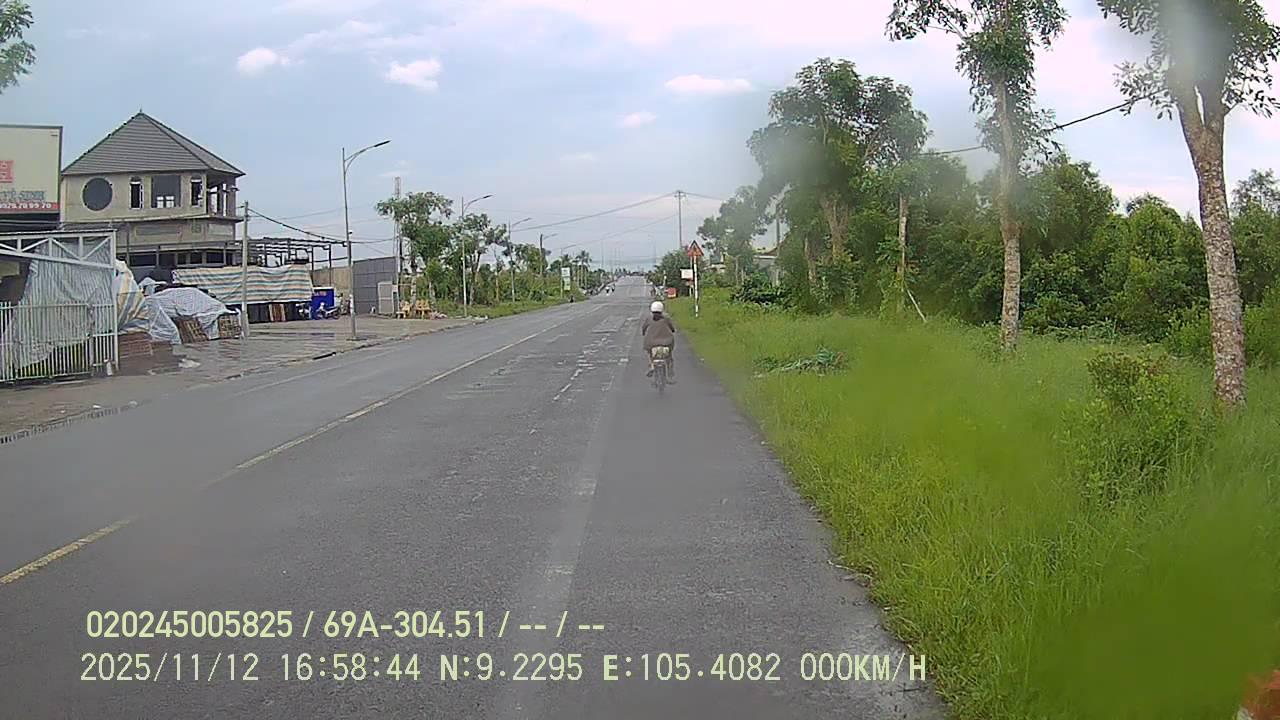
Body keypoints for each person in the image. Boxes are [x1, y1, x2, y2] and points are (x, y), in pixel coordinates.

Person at [642, 300, 676, 382]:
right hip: (666, 342)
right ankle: (670, 374)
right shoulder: (666, 318)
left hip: (652, 343)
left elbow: (644, 328)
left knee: (650, 354)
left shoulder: (649, 318)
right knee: (669, 357)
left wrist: (644, 333)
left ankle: (652, 366)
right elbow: (672, 328)